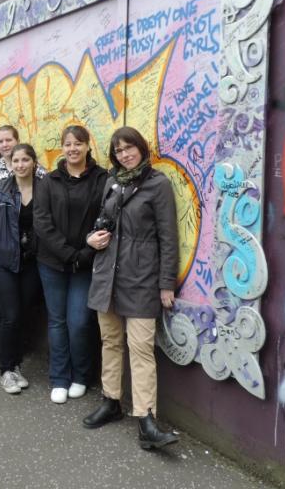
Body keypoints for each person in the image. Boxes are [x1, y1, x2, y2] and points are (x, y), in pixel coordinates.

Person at [82, 126, 179, 450]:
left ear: (141, 148)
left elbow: (168, 238)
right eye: (118, 151)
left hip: (141, 279)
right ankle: (111, 401)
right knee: (110, 341)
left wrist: (166, 284)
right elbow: (101, 222)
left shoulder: (158, 184)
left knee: (140, 348)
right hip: (107, 275)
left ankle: (146, 419)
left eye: (129, 148)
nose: (124, 154)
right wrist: (91, 239)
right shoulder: (111, 182)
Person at [35, 125, 108, 404]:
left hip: (86, 264)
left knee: (79, 322)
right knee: (57, 321)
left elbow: (106, 216)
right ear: (62, 148)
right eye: (68, 144)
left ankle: (81, 375)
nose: (73, 148)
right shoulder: (49, 181)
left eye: (78, 143)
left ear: (88, 146)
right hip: (52, 262)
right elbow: (42, 222)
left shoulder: (102, 179)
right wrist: (70, 254)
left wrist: (85, 254)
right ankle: (59, 377)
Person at [0, 125, 46, 362]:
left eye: (8, 140)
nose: (4, 145)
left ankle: (12, 348)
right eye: (0, 141)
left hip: (27, 251)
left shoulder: (40, 174)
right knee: (1, 299)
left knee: (17, 302)